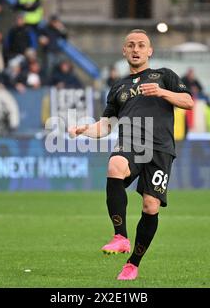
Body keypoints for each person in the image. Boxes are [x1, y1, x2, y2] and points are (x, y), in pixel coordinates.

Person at [68, 29, 193, 280]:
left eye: (141, 45)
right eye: (131, 45)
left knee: (150, 206)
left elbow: (188, 101)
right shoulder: (118, 87)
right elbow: (106, 126)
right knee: (115, 165)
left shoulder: (164, 75)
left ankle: (133, 263)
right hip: (133, 142)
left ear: (150, 51)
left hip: (161, 149)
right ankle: (120, 237)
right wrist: (85, 129)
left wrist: (162, 92)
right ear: (124, 51)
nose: (136, 49)